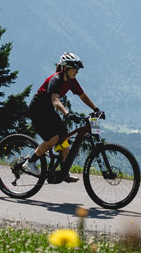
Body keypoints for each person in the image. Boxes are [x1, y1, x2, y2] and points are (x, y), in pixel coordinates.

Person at [18, 53, 103, 182]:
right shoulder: (55, 79)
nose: (77, 72)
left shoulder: (71, 81)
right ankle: (30, 162)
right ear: (66, 68)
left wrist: (96, 109)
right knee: (53, 139)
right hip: (37, 110)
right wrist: (67, 113)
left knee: (65, 138)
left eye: (77, 69)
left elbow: (83, 96)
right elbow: (55, 100)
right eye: (75, 69)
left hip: (49, 111)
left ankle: (64, 172)